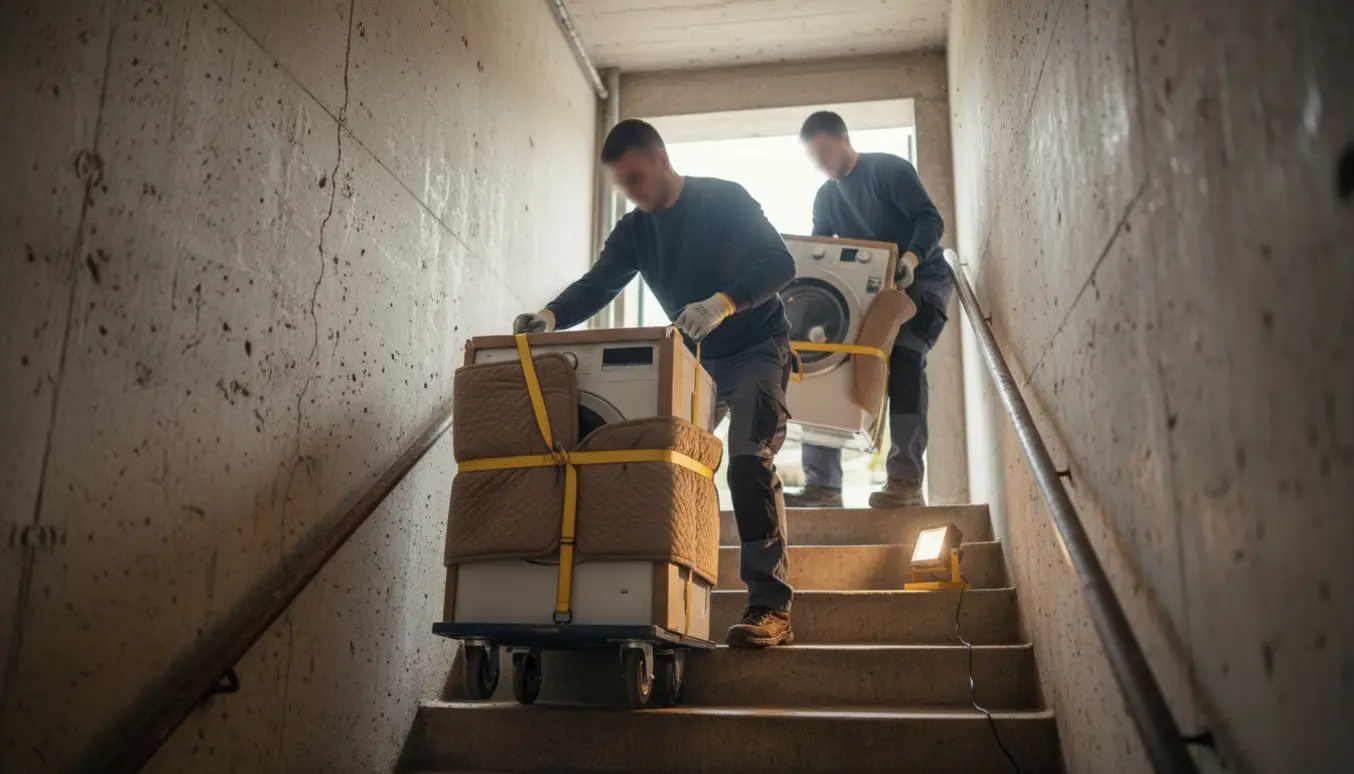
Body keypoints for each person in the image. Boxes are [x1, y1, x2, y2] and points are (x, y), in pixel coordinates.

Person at [512, 119, 796, 647]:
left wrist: (724, 302)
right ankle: (671, 600)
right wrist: (552, 316)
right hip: (694, 361)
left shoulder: (724, 200)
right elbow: (600, 283)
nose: (633, 193)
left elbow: (781, 263)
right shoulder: (635, 231)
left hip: (758, 347)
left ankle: (770, 607)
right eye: (623, 184)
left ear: (662, 159)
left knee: (748, 459)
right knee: (667, 470)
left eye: (637, 178)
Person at [784, 111, 952, 509]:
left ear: (843, 139)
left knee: (907, 358)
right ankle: (823, 486)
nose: (821, 164)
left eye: (825, 152)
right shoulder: (827, 196)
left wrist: (910, 258)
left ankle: (906, 482)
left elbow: (930, 219)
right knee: (822, 360)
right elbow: (818, 257)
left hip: (921, 282)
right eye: (814, 158)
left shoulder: (887, 170)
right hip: (870, 291)